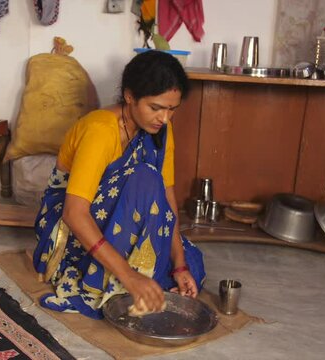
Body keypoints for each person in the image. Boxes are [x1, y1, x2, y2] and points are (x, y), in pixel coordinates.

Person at [32, 50, 205, 319]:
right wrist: (130, 277)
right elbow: (73, 213)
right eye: (156, 108)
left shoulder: (160, 131)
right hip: (72, 227)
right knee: (145, 176)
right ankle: (112, 279)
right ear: (129, 96)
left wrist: (180, 266)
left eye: (172, 109)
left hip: (120, 216)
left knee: (192, 264)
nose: (165, 118)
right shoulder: (101, 130)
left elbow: (166, 198)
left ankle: (143, 277)